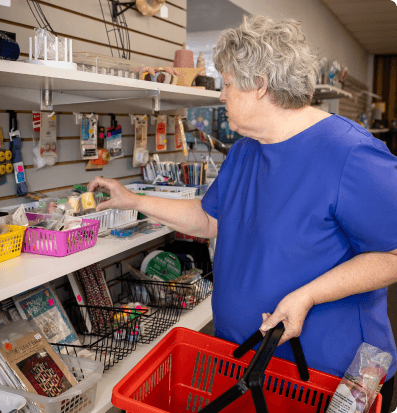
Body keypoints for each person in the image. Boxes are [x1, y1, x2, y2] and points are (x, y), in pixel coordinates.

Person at [89, 15, 397, 412]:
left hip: (326, 377)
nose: (221, 96)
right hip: (246, 362)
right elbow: (211, 219)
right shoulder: (245, 150)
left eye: (228, 84)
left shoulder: (351, 154)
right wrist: (134, 201)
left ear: (260, 85)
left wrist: (308, 296)